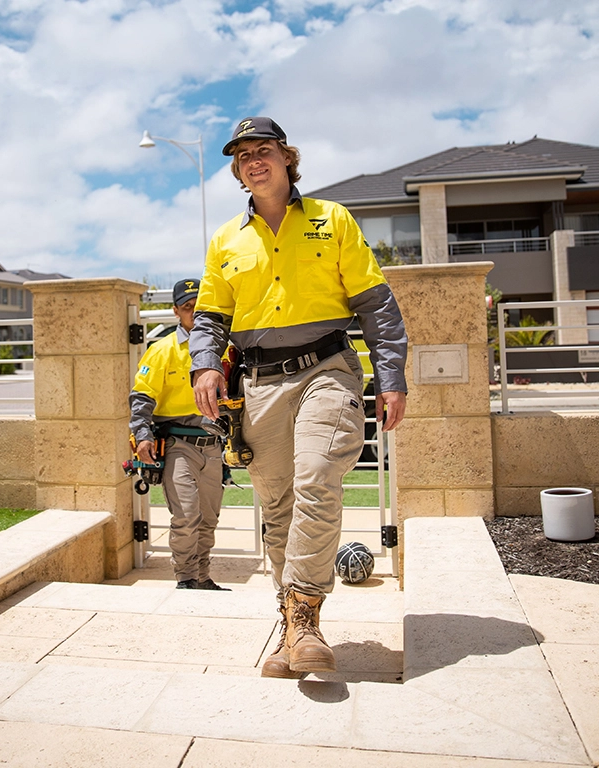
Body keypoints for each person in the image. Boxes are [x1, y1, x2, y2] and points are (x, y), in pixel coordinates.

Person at [189, 117, 407, 676]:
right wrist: (205, 367)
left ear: (288, 158)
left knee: (317, 478)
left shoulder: (333, 220)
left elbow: (376, 306)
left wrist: (391, 377)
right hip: (259, 385)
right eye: (242, 156)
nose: (253, 161)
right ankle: (293, 628)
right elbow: (211, 317)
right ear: (237, 171)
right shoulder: (225, 241)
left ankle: (306, 612)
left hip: (327, 369)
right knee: (279, 507)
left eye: (264, 150)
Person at [129, 279, 229, 591]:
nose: (195, 312)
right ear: (176, 312)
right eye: (188, 307)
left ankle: (202, 577)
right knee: (187, 516)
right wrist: (143, 436)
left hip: (214, 446)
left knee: (209, 519)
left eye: (200, 305)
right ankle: (186, 579)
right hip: (178, 445)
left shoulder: (223, 350)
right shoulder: (161, 351)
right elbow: (141, 398)